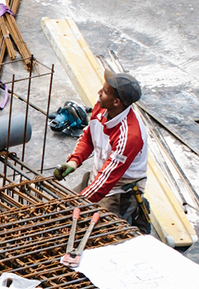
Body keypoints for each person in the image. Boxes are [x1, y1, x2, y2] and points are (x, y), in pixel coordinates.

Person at [53, 69, 150, 229]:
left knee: (98, 232)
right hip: (97, 178)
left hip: (118, 190)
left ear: (116, 102)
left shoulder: (129, 136)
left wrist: (78, 203)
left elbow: (107, 179)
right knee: (61, 211)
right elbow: (88, 137)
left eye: (104, 92)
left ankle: (130, 212)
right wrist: (74, 161)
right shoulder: (101, 108)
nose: (99, 93)